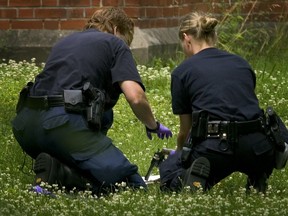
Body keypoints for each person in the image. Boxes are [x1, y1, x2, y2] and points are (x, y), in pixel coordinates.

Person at [11, 7, 172, 196]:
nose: (127, 46)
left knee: (99, 116)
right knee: (131, 186)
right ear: (115, 29)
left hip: (26, 127)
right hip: (62, 126)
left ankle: (54, 169)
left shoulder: (66, 41)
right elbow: (136, 97)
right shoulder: (114, 43)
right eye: (128, 40)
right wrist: (152, 125)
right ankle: (62, 174)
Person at [159, 12, 288, 193]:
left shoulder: (182, 72)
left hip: (215, 149)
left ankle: (190, 179)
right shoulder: (241, 63)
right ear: (214, 36)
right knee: (263, 137)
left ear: (186, 38)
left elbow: (185, 130)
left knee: (169, 169)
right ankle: (259, 172)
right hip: (257, 147)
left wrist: (180, 153)